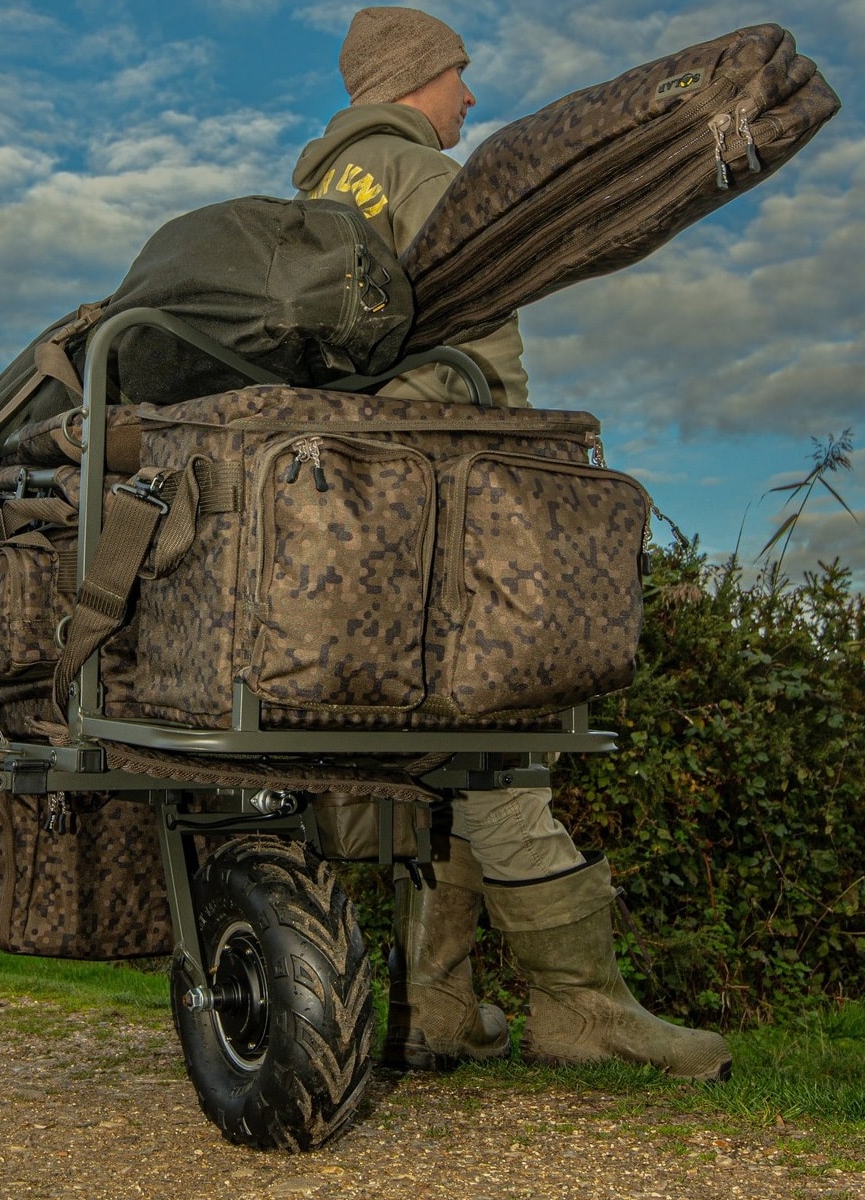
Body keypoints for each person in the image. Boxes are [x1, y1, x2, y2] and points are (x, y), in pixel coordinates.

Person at [292, 6, 732, 1082]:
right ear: (411, 80)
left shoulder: (313, 199)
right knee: (506, 741)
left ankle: (441, 1006)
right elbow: (485, 355)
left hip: (359, 517)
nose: (471, 99)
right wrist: (529, 473)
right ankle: (583, 1007)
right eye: (458, 76)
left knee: (441, 755)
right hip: (455, 495)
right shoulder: (428, 180)